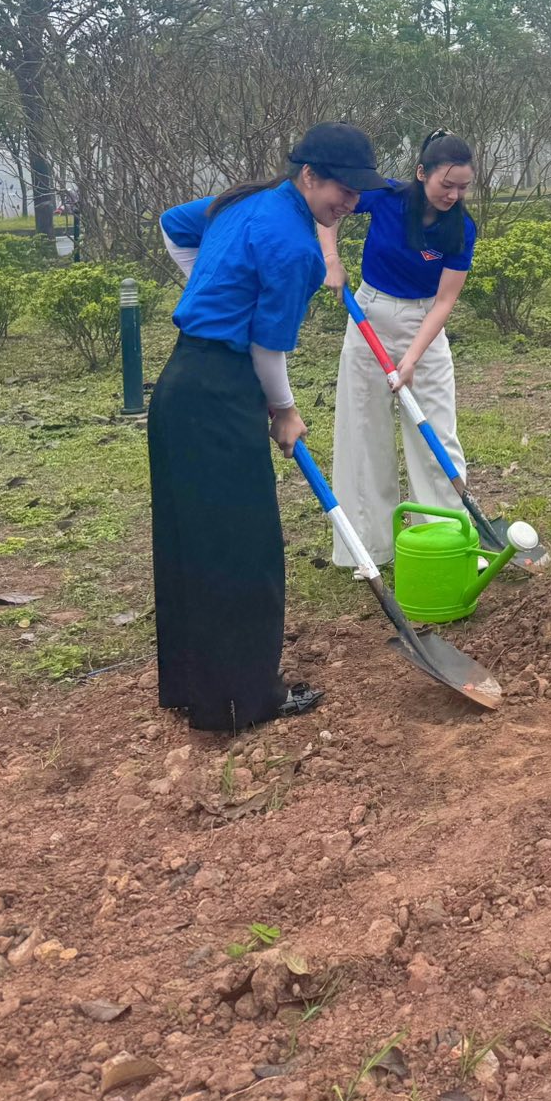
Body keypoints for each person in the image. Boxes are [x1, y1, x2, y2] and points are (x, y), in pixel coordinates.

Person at [154, 123, 387, 731]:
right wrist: (284, 410)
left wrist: (212, 294)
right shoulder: (294, 246)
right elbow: (265, 349)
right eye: (344, 188)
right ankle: (248, 699)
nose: (351, 203)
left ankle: (198, 690)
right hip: (222, 389)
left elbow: (172, 225)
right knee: (246, 548)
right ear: (308, 175)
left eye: (359, 194)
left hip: (182, 384)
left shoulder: (242, 202)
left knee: (194, 542)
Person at [318, 130, 478, 569]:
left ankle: (443, 540)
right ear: (421, 173)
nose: (454, 194)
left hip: (422, 325)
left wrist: (411, 359)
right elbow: (329, 209)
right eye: (447, 184)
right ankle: (369, 547)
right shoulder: (386, 197)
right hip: (368, 315)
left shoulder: (462, 227)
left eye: (463, 187)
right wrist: (331, 259)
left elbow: (445, 300)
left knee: (436, 434)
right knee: (364, 429)